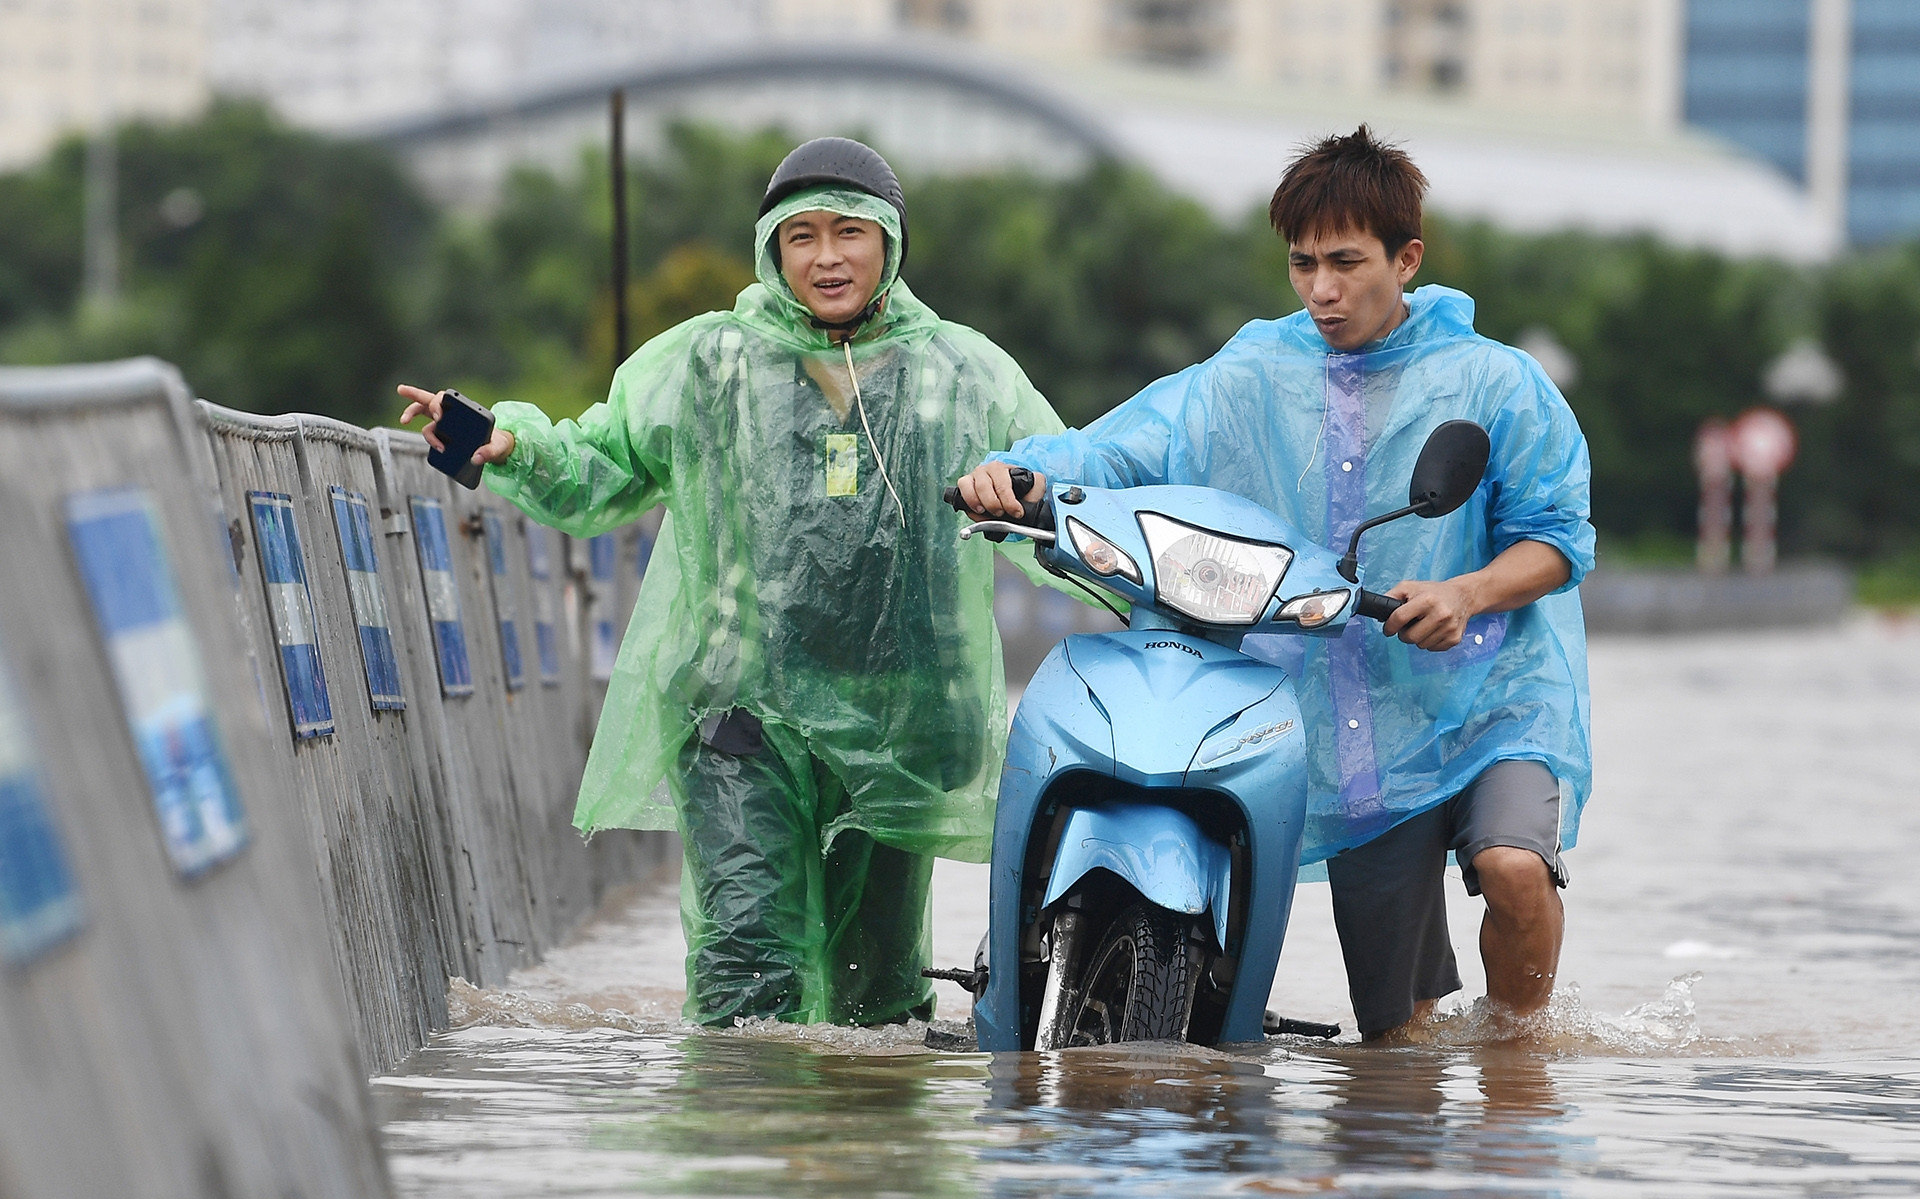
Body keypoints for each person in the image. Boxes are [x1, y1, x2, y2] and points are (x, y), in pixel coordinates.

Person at [398, 138, 1070, 1028]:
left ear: (891, 244)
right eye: (800, 236)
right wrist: (512, 445)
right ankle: (739, 1150)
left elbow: (1059, 488)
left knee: (874, 1001)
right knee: (746, 970)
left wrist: (1052, 512)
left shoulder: (964, 372)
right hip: (740, 710)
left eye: (848, 233)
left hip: (901, 718)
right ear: (771, 250)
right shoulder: (709, 363)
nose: (826, 256)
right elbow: (606, 459)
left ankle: (866, 1164)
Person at [957, 126, 1594, 1041]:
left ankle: (1518, 1055)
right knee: (1395, 1037)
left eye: (1347, 262)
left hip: (1489, 693)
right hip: (1348, 720)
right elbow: (1123, 444)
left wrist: (1467, 592)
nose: (1322, 290)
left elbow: (1559, 541)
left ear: (1406, 258)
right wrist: (1017, 475)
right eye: (1303, 265)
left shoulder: (1498, 383)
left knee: (1512, 866)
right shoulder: (1248, 371)